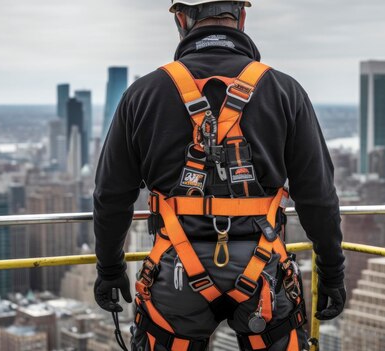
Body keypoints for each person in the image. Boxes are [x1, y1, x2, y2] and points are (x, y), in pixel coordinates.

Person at [93, 1, 346, 350]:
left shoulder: (143, 94)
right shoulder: (285, 91)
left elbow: (111, 194)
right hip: (263, 272)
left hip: (176, 271)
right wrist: (331, 271)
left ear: (181, 19)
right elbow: (317, 195)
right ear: (241, 16)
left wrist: (109, 267)